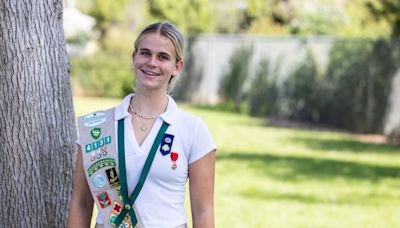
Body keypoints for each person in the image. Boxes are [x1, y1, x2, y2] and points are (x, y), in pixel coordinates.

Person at [67, 21, 216, 228]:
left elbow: (203, 212)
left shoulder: (193, 130)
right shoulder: (97, 128)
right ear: (134, 57)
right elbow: (81, 204)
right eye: (145, 53)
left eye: (163, 57)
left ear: (177, 67)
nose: (152, 62)